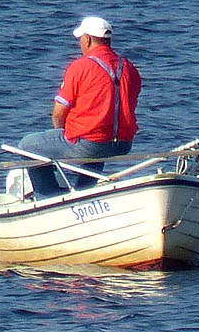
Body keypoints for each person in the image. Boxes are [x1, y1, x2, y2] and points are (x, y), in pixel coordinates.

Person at [14, 14, 142, 196]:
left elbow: (59, 113)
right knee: (97, 143)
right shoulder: (129, 68)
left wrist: (64, 132)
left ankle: (49, 197)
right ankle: (84, 191)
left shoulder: (80, 67)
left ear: (88, 40)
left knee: (27, 145)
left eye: (81, 39)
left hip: (90, 143)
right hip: (123, 143)